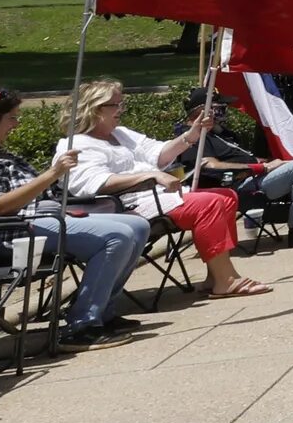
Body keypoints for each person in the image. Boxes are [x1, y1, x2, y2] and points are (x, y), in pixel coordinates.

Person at [0, 86, 152, 347]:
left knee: (137, 225)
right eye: (12, 118)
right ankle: (82, 324)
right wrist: (50, 175)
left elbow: (40, 191)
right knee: (116, 236)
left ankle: (103, 310)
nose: (16, 125)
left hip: (29, 223)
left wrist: (60, 180)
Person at [57, 79, 272, 299]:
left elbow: (159, 154)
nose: (121, 110)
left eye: (122, 104)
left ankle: (215, 276)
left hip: (155, 197)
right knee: (211, 203)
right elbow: (92, 183)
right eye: (116, 105)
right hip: (123, 206)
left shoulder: (122, 134)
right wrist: (149, 175)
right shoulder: (77, 144)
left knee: (225, 196)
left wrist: (192, 135)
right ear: (94, 108)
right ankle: (226, 281)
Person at [182, 84, 293, 245]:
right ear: (201, 110)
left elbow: (246, 158)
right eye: (219, 106)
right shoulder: (191, 138)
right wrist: (262, 168)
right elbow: (210, 166)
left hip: (258, 175)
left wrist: (270, 163)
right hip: (238, 185)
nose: (225, 110)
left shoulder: (222, 134)